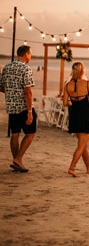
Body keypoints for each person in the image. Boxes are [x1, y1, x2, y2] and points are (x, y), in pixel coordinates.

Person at [0, 45, 36, 173]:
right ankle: (18, 159)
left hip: (11, 106)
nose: (30, 56)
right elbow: (28, 91)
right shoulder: (26, 69)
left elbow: (1, 87)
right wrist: (30, 111)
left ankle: (16, 161)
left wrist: (11, 92)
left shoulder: (7, 67)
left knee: (15, 134)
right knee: (30, 133)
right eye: (30, 53)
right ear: (26, 54)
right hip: (23, 106)